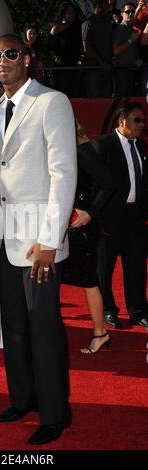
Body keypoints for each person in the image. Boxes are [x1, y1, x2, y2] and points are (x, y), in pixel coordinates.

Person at [0, 34, 77, 445]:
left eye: (10, 54)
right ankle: (22, 398)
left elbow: (63, 173)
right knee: (16, 329)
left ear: (27, 58)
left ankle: (56, 414)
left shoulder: (52, 102)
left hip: (39, 242)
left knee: (43, 329)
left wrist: (49, 239)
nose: (2, 61)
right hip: (5, 240)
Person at [94, 101, 148, 329]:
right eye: (137, 120)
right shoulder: (103, 145)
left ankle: (138, 311)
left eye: (143, 121)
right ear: (122, 120)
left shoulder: (143, 146)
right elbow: (94, 183)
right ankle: (108, 310)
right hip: (109, 218)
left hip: (135, 218)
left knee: (136, 267)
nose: (142, 125)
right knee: (104, 268)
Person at [62, 121, 114, 354]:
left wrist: (90, 214)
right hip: (67, 225)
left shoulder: (82, 151)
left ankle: (100, 333)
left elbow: (109, 184)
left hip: (80, 227)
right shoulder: (71, 150)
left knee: (89, 281)